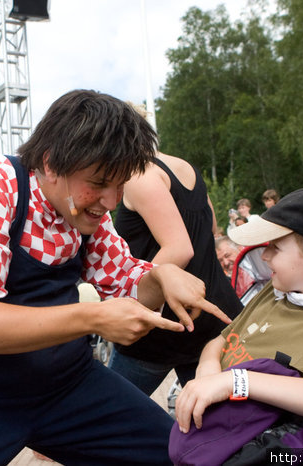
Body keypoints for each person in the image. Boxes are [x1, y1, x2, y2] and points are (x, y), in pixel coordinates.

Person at [0, 89, 231, 466]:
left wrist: (161, 276)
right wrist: (93, 317)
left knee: (181, 456)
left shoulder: (87, 212)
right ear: (50, 164)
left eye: (121, 185)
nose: (111, 202)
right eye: (97, 183)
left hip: (64, 385)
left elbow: (125, 280)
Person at [172, 187, 303, 461]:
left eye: (275, 247)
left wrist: (237, 381)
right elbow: (221, 340)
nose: (265, 256)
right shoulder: (276, 290)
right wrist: (209, 372)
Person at [109, 126, 243, 396]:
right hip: (212, 313)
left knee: (104, 419)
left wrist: (130, 304)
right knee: (217, 426)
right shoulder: (184, 168)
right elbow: (212, 228)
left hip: (164, 325)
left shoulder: (138, 175)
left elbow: (179, 249)